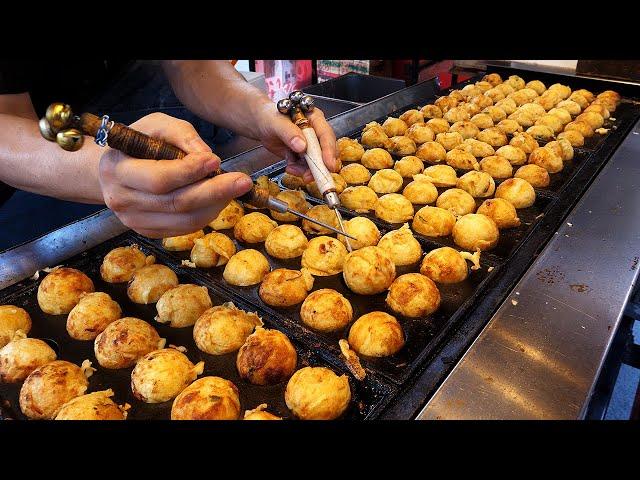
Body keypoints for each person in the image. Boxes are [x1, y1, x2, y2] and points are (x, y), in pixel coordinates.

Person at [0, 60, 337, 241]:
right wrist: (102, 170)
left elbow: (188, 66)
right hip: (29, 159)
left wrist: (260, 112)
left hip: (121, 88)